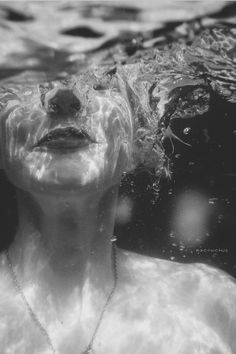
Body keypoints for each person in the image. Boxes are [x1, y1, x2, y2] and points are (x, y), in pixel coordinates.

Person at [0, 26, 236, 354]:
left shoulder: (214, 306)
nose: (65, 98)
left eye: (102, 82)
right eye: (30, 82)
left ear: (138, 136)